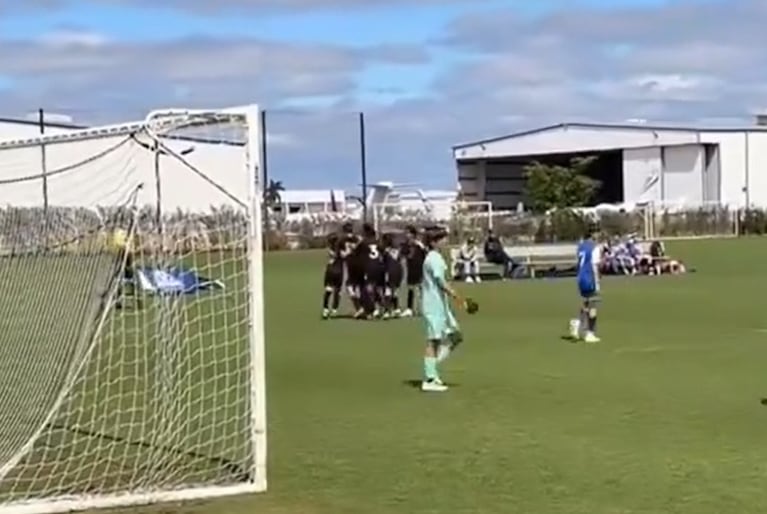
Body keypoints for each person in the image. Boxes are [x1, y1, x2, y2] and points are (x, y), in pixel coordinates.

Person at [420, 226, 463, 392]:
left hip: (440, 305)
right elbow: (440, 281)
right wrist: (456, 295)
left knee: (456, 336)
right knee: (433, 341)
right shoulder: (433, 259)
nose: (445, 241)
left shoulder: (436, 257)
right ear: (433, 242)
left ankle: (431, 366)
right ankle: (430, 378)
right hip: (433, 305)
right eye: (442, 238)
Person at [569, 227, 601, 343]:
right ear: (593, 234)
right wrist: (597, 282)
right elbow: (595, 266)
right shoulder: (595, 248)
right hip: (590, 278)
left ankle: (576, 323)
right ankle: (590, 333)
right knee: (593, 306)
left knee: (586, 303)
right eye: (597, 233)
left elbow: (578, 263)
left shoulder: (581, 246)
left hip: (581, 278)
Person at [401, 225, 426, 317]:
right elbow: (403, 255)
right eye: (406, 233)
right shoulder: (406, 245)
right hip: (411, 268)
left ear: (413, 234)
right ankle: (409, 309)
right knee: (410, 288)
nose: (406, 235)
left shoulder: (419, 244)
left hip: (419, 268)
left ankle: (424, 308)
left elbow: (425, 254)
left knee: (421, 289)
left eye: (408, 233)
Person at [321, 232, 345, 319]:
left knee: (328, 290)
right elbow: (345, 256)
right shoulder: (340, 249)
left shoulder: (330, 250)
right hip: (338, 272)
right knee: (337, 291)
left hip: (330, 271)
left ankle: (325, 309)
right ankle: (334, 310)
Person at [381, 232, 403, 318]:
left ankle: (387, 311)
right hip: (398, 271)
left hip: (390, 271)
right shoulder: (397, 250)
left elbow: (383, 262)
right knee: (395, 290)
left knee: (388, 290)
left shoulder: (385, 251)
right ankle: (397, 309)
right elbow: (399, 260)